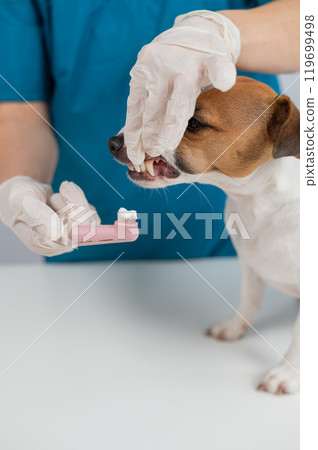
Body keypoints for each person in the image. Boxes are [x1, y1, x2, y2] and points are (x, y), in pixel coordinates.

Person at [0, 0, 299, 262]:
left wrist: (224, 32)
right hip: (85, 241)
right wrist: (20, 183)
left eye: (193, 124)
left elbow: (304, 21)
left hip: (229, 253)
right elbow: (18, 113)